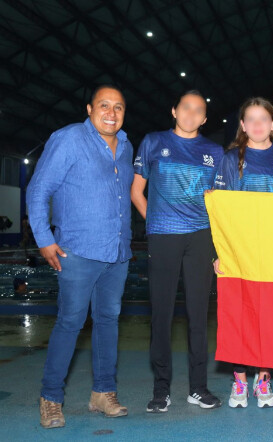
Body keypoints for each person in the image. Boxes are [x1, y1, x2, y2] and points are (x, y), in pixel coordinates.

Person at [27, 85, 133, 428]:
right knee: (70, 323)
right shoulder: (70, 139)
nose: (111, 113)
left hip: (116, 253)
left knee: (107, 322)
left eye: (118, 107)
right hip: (78, 251)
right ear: (89, 108)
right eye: (104, 105)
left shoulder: (126, 145)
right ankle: (51, 397)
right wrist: (44, 239)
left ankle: (103, 392)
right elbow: (39, 189)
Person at [131, 90, 223, 412]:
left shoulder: (214, 151)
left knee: (198, 315)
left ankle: (198, 387)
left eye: (199, 110)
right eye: (186, 108)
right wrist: (156, 222)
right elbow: (136, 190)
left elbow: (220, 203)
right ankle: (161, 389)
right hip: (163, 238)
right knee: (162, 314)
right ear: (174, 110)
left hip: (200, 239)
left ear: (205, 117)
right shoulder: (154, 142)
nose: (192, 113)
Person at [213, 97, 273, 409]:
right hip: (238, 250)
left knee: (269, 318)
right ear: (243, 125)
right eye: (251, 119)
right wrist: (221, 252)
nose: (259, 125)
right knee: (240, 316)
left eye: (264, 118)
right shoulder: (231, 158)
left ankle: (263, 380)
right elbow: (221, 210)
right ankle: (239, 381)